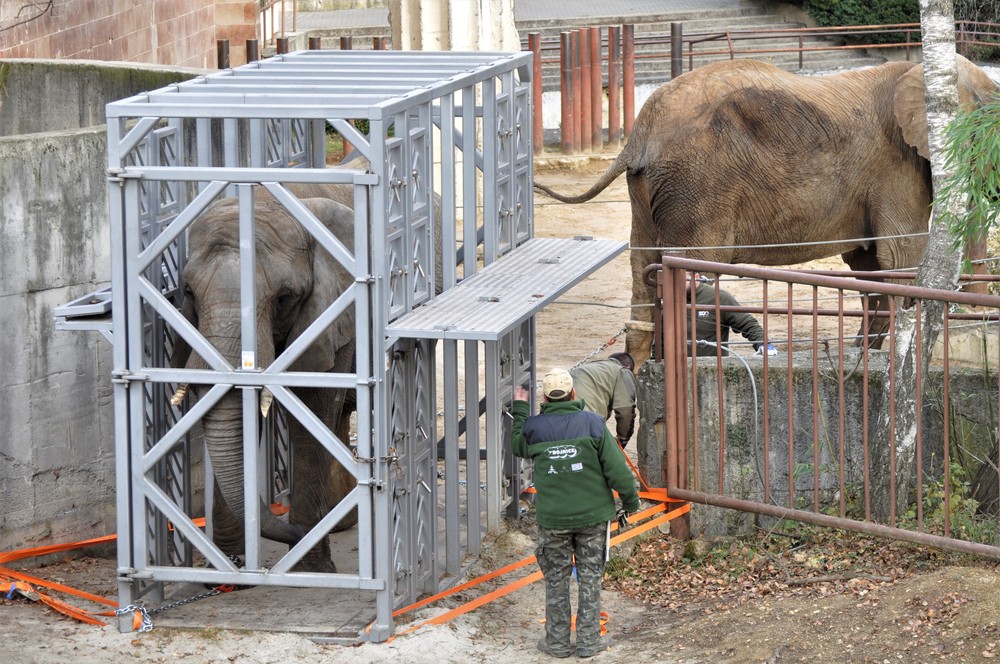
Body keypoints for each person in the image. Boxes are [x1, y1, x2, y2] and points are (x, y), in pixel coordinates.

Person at [511, 369, 641, 659]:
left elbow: (517, 444)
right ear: (573, 394)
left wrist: (520, 407)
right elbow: (617, 471)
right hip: (593, 518)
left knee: (556, 580)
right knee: (591, 578)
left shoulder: (534, 428)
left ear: (545, 397)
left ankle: (556, 643)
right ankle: (588, 642)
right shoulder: (593, 424)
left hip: (553, 520)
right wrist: (631, 503)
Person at [687, 271, 776, 357]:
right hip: (675, 367)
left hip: (710, 366)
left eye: (680, 279)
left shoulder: (719, 297)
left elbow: (747, 324)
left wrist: (762, 343)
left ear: (696, 278)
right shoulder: (673, 297)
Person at [570, 353, 637, 448]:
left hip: (556, 422)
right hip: (586, 426)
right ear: (628, 367)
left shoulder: (588, 367)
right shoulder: (622, 371)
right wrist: (622, 440)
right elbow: (625, 411)